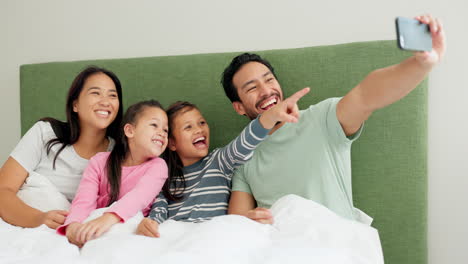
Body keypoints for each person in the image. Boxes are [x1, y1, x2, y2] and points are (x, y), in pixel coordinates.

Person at [221, 14, 445, 224]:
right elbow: (236, 225)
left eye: (269, 80)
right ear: (239, 107)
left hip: (335, 244)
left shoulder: (322, 118)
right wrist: (251, 221)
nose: (266, 91)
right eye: (252, 88)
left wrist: (420, 64)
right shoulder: (243, 159)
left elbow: (367, 95)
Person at [136, 88, 308, 237]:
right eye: (188, 127)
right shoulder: (165, 177)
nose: (199, 129)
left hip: (212, 234)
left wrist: (268, 118)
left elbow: (244, 143)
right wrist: (150, 223)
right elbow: (159, 208)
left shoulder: (219, 160)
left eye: (202, 123)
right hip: (177, 235)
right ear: (172, 143)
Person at [0, 66, 123, 229]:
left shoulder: (120, 154)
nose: (105, 101)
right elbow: (3, 190)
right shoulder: (45, 133)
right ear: (75, 105)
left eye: (112, 95)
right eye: (95, 93)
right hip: (27, 225)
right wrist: (39, 219)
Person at [56, 100, 169, 247]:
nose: (162, 133)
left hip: (127, 226)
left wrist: (107, 219)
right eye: (154, 125)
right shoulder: (99, 162)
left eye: (166, 130)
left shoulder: (158, 166)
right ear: (130, 131)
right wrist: (73, 226)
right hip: (95, 224)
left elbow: (138, 197)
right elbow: (84, 200)